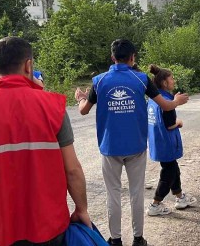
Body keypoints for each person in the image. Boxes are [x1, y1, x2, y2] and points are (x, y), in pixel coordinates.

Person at [0, 37, 91, 245]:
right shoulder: (53, 107)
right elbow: (73, 170)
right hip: (50, 226)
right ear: (29, 65)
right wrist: (81, 209)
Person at [74, 39, 189, 246]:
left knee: (113, 194)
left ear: (112, 57)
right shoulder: (142, 79)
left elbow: (83, 110)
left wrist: (80, 98)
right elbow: (165, 105)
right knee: (136, 194)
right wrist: (177, 102)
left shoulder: (99, 81)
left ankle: (115, 240)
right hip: (136, 147)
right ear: (133, 57)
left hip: (110, 148)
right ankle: (138, 239)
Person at [145, 65, 197, 217]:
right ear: (164, 83)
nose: (173, 81)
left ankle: (180, 197)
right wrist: (179, 122)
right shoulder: (166, 101)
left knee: (173, 169)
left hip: (158, 142)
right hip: (166, 143)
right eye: (171, 78)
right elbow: (170, 125)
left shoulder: (154, 99)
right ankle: (155, 204)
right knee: (168, 173)